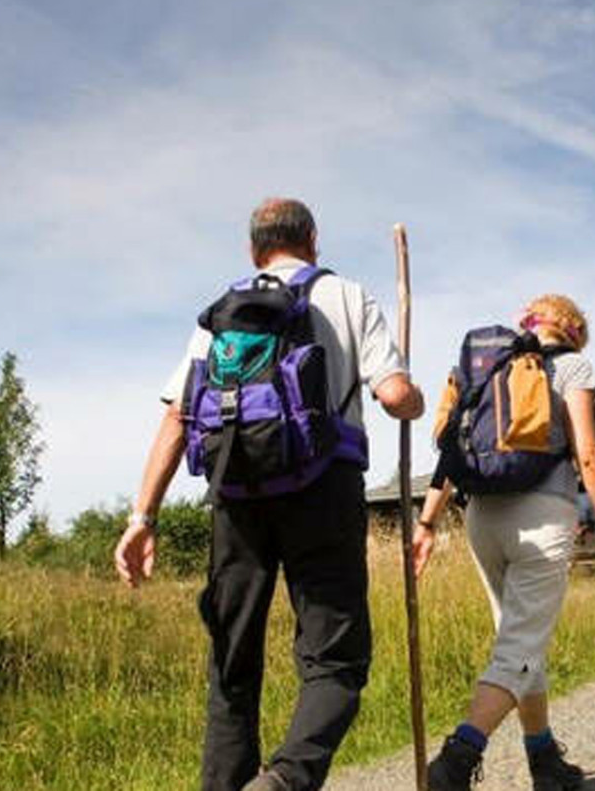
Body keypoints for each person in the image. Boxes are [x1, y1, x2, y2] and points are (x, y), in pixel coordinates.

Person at [114, 197, 425, 791]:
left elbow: (179, 416)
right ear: (312, 238)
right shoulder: (348, 295)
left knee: (232, 662)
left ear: (254, 248)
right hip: (324, 488)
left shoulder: (220, 312)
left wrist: (142, 516)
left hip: (236, 492)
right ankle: (285, 780)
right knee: (334, 660)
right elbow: (391, 395)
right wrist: (414, 398)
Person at [411, 294, 595, 791]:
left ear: (528, 323)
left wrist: (425, 524)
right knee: (520, 648)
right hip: (542, 515)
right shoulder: (572, 366)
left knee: (518, 645)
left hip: (482, 518)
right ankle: (456, 762)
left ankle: (544, 759)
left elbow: (452, 454)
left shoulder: (484, 370)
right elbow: (587, 453)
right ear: (571, 329)